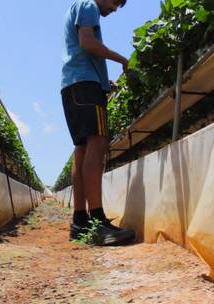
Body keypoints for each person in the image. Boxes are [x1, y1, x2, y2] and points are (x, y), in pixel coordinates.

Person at [61, 0, 136, 245]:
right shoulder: (89, 5)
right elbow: (87, 42)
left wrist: (105, 85)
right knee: (98, 143)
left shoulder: (79, 7)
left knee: (82, 149)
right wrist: (124, 60)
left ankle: (80, 222)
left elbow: (82, 48)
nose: (115, 9)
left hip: (75, 86)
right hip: (85, 85)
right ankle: (98, 223)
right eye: (116, 2)